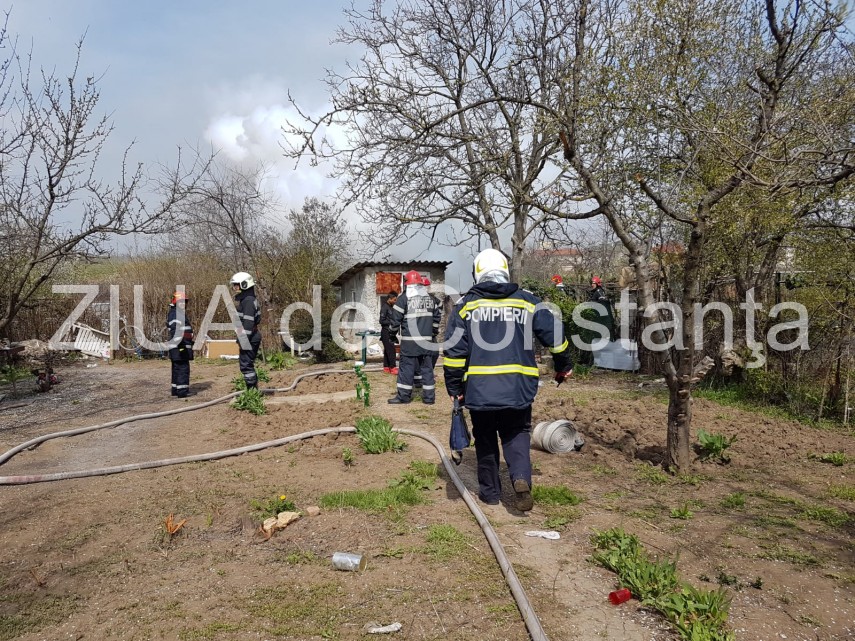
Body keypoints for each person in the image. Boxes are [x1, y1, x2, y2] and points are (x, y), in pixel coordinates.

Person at [443, 248, 573, 511]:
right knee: (517, 433)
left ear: (477, 272)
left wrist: (454, 387)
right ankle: (521, 478)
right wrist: (564, 366)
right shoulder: (529, 302)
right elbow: (557, 340)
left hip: (479, 390)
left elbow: (454, 353)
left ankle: (490, 494)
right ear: (504, 270)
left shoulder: (466, 306)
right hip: (518, 387)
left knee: (486, 437)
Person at [388, 270, 441, 405]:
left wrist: (392, 335)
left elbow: (395, 321)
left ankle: (404, 397)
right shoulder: (430, 299)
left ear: (407, 284)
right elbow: (436, 318)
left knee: (406, 369)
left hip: (410, 343)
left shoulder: (404, 298)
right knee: (427, 369)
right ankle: (429, 398)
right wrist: (433, 332)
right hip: (427, 342)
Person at [230, 271, 262, 390]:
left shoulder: (248, 301)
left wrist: (243, 339)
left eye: (237, 285)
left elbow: (248, 324)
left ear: (244, 285)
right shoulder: (248, 299)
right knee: (246, 364)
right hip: (251, 337)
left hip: (250, 338)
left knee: (246, 366)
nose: (235, 288)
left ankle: (252, 391)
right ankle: (252, 390)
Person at [166, 291, 194, 398]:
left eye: (184, 302)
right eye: (181, 302)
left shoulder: (176, 313)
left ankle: (176, 389)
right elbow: (175, 330)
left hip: (178, 346)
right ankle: (182, 391)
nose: (183, 304)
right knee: (183, 368)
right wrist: (181, 346)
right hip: (180, 347)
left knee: (177, 368)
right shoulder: (176, 313)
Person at [379, 290, 400, 374]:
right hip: (386, 332)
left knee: (387, 350)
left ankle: (386, 367)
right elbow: (381, 321)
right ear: (390, 299)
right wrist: (392, 322)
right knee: (391, 350)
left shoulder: (391, 307)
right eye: (394, 300)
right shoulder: (384, 308)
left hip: (391, 332)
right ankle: (393, 367)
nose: (395, 301)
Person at [589, 276, 615, 341]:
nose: (592, 285)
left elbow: (602, 303)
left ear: (597, 284)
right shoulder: (598, 292)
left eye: (593, 283)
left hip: (602, 320)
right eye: (592, 283)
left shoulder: (599, 292)